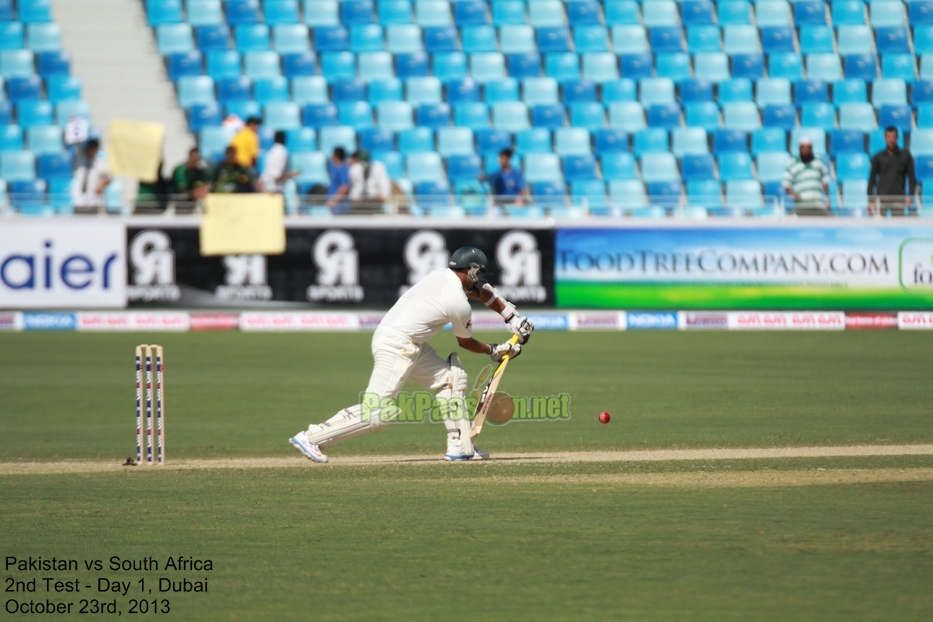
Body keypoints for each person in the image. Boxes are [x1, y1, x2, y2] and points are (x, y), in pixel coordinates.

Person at [288, 246, 535, 463]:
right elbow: (465, 343)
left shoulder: (441, 275)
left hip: (407, 342)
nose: (479, 278)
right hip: (397, 345)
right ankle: (311, 437)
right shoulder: (457, 301)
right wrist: (495, 350)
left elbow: (482, 292)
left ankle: (459, 446)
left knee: (451, 379)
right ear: (470, 270)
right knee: (378, 412)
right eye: (478, 272)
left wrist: (512, 317)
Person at [868, 126, 917, 217]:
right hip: (881, 197)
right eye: (888, 136)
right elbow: (872, 178)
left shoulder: (905, 156)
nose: (891, 139)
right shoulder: (878, 157)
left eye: (893, 136)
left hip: (898, 196)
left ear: (897, 138)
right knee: (880, 226)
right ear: (885, 138)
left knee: (898, 226)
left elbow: (911, 177)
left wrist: (910, 196)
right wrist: (870, 199)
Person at [782, 136, 831, 216]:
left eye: (808, 148)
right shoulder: (793, 163)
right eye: (803, 148)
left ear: (811, 148)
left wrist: (827, 199)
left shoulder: (819, 161)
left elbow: (825, 181)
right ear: (800, 148)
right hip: (802, 205)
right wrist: (794, 195)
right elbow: (786, 183)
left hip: (817, 203)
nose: (806, 150)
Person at [72, 139, 111, 215]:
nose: (90, 151)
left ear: (96, 150)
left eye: (93, 149)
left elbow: (110, 177)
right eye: (89, 148)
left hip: (92, 202)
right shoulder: (79, 160)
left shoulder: (100, 163)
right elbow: (76, 144)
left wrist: (102, 184)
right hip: (78, 201)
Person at [326, 146, 350, 214]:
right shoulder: (336, 169)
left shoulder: (342, 169)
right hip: (336, 208)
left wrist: (333, 201)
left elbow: (344, 187)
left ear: (336, 156)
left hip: (340, 208)